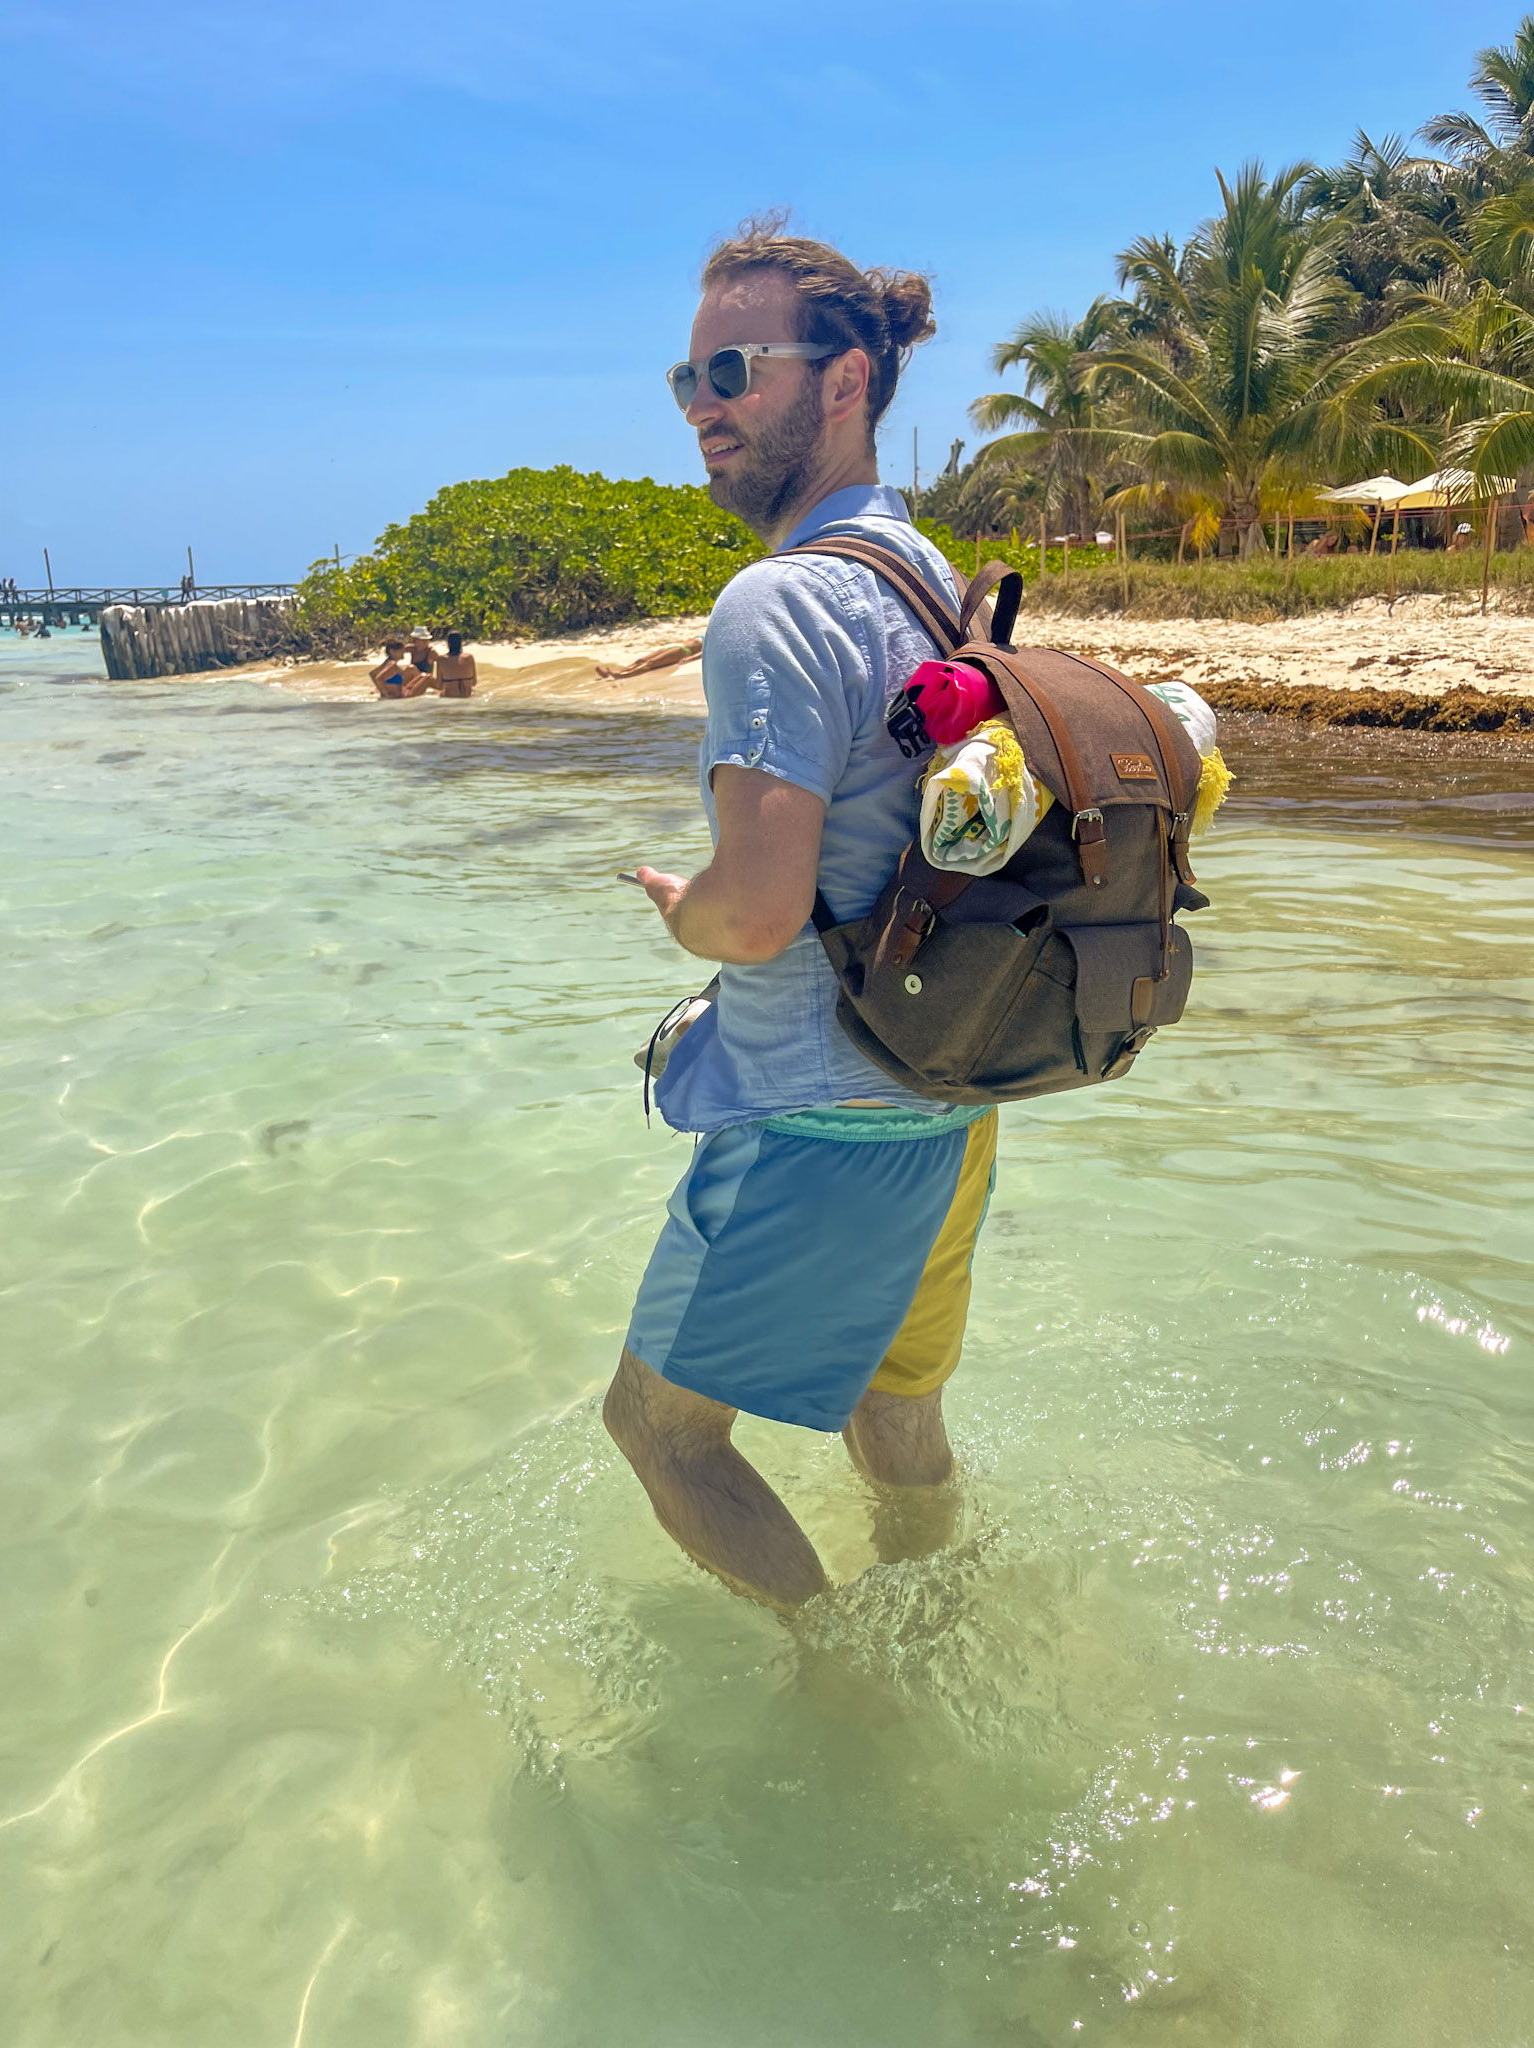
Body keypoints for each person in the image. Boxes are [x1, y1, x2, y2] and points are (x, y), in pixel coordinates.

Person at [603, 222, 995, 1610]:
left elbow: (758, 916)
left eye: (733, 370)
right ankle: (940, 1620)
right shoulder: (933, 580)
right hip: (956, 1097)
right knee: (894, 1411)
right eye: (687, 379)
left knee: (659, 1434)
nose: (701, 407)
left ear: (843, 382)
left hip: (820, 1124)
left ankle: (854, 1709)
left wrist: (685, 915)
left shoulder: (774, 603)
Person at [595, 635, 704, 680]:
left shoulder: (711, 639)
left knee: (650, 663)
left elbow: (705, 652)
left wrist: (690, 659)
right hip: (674, 645)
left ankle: (623, 675)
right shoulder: (707, 632)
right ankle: (614, 672)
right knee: (640, 660)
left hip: (683, 651)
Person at [432, 630, 478, 697]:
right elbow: (474, 683)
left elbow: (439, 685)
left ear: (448, 644)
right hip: (467, 696)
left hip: (449, 697)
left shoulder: (441, 660)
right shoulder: (469, 657)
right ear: (461, 643)